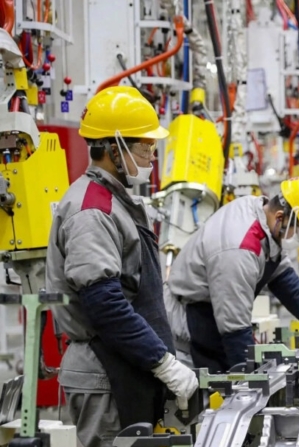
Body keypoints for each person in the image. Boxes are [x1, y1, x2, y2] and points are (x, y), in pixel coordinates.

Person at [46, 86, 198, 447]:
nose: (151, 158)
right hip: (103, 376)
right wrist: (162, 362)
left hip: (124, 365)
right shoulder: (91, 212)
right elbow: (105, 305)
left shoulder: (118, 201)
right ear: (115, 148)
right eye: (145, 148)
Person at [164, 176, 299, 373]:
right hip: (189, 323)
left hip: (215, 315)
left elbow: (282, 275)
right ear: (281, 217)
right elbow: (235, 326)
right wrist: (251, 383)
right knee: (209, 394)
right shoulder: (239, 248)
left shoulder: (262, 217)